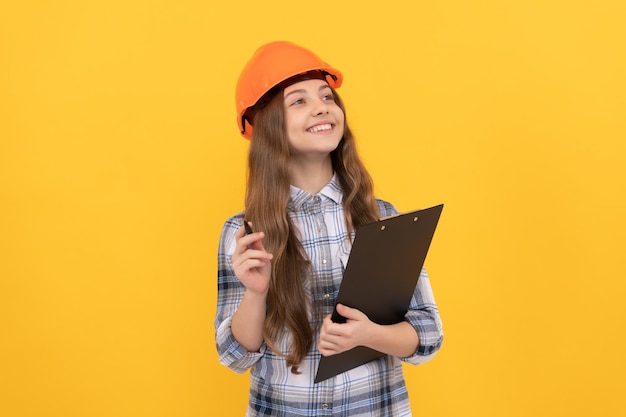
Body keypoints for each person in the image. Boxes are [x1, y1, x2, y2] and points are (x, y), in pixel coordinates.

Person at [215, 41, 443, 416]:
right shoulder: (245, 233)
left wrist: (371, 335)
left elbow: (428, 333)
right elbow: (235, 356)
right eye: (299, 101)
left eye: (327, 96)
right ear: (268, 126)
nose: (322, 106)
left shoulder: (380, 217)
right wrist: (255, 294)